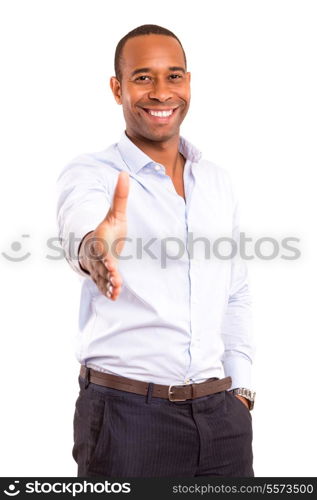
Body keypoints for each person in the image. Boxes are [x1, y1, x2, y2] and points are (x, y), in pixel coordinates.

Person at [56, 24, 256, 478]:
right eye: (143, 77)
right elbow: (81, 231)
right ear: (117, 87)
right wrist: (95, 250)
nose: (161, 92)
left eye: (174, 76)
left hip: (221, 420)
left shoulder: (216, 180)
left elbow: (235, 291)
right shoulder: (92, 173)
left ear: (188, 83)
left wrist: (240, 392)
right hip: (128, 422)